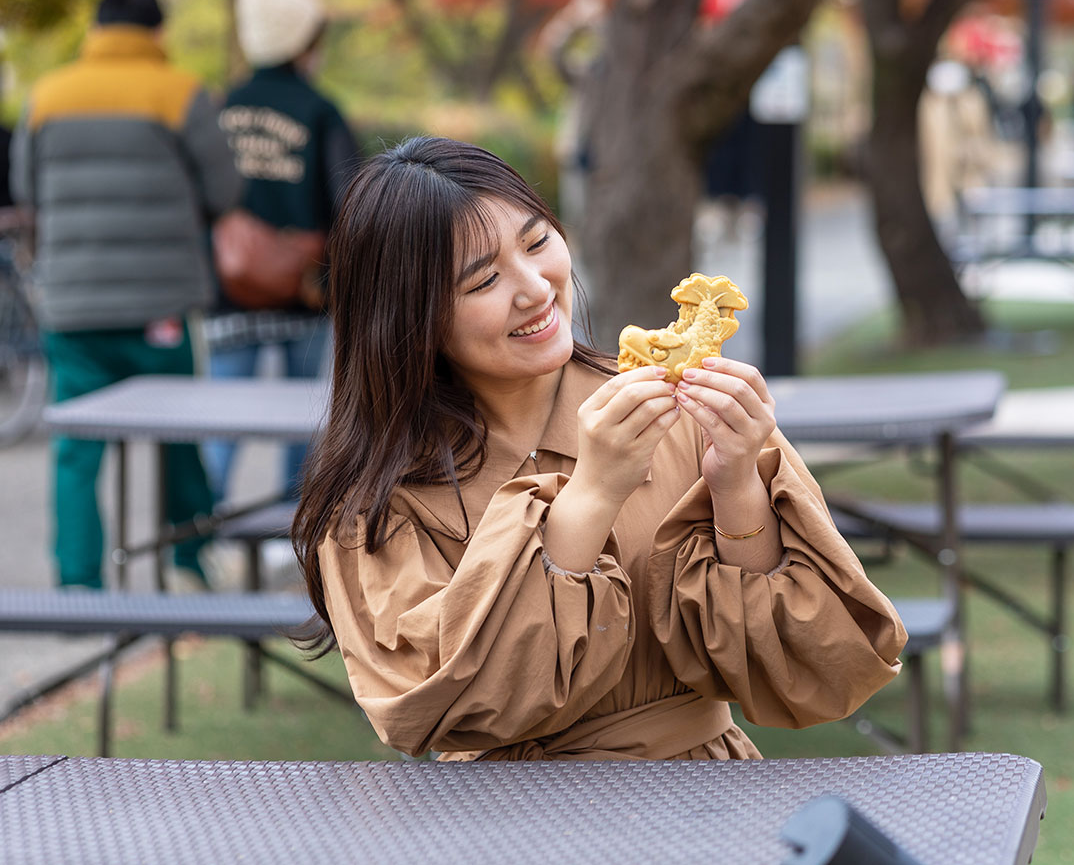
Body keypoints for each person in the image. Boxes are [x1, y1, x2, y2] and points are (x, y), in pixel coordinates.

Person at [292, 137, 906, 761]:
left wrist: (737, 485)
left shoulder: (681, 408)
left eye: (537, 243)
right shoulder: (377, 500)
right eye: (483, 280)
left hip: (703, 804)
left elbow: (817, 668)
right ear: (408, 316)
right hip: (503, 828)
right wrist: (595, 491)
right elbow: (435, 702)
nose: (535, 288)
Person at [9, 0, 240, 589]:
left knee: (77, 450)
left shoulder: (47, 95)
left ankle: (79, 580)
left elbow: (26, 190)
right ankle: (189, 558)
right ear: (157, 33)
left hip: (72, 306)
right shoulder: (180, 92)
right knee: (176, 435)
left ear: (97, 28)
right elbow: (223, 193)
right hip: (158, 306)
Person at [204, 0, 359, 504]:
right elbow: (349, 200)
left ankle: (206, 533)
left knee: (223, 417)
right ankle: (289, 529)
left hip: (229, 289)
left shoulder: (221, 107)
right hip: (304, 291)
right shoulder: (320, 110)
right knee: (302, 419)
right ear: (301, 41)